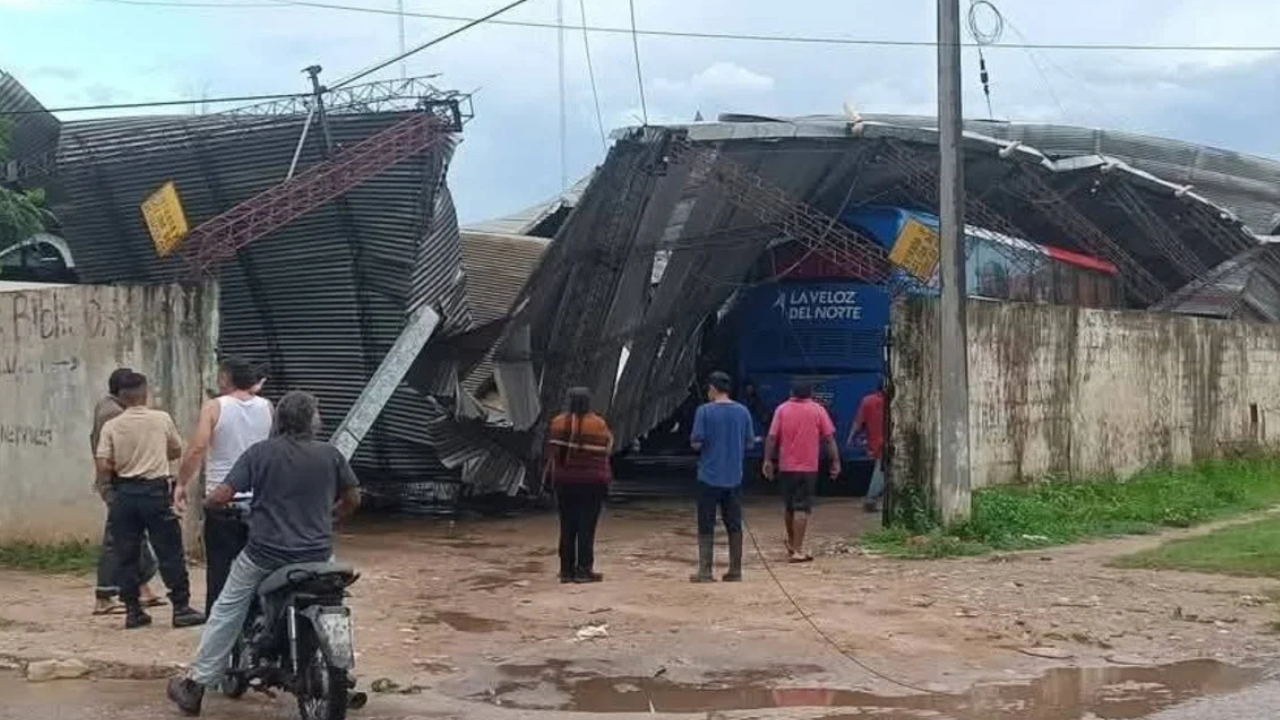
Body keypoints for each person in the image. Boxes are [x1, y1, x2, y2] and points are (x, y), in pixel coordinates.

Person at [167, 391, 361, 716]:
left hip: (265, 554)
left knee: (227, 609)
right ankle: (344, 675)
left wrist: (211, 503)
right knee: (333, 599)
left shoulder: (260, 454)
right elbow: (353, 498)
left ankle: (195, 686)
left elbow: (221, 496)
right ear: (313, 421)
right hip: (317, 553)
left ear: (279, 420)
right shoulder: (331, 455)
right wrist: (330, 517)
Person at [94, 371, 206, 630]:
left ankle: (133, 611)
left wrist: (111, 485)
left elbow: (102, 463)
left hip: (124, 494)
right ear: (145, 394)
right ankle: (180, 607)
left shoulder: (112, 425)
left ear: (121, 397)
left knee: (127, 554)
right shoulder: (161, 419)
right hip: (155, 493)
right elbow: (177, 448)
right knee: (170, 552)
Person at [175, 357, 273, 615]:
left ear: (226, 379)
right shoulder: (268, 407)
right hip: (260, 500)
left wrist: (182, 482)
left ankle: (219, 626)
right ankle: (256, 619)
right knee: (256, 565)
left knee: (220, 566)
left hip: (223, 500)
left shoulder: (215, 407)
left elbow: (198, 448)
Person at [92, 367, 164, 615]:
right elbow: (108, 455)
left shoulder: (110, 407)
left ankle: (141, 589)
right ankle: (104, 594)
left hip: (120, 482)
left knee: (134, 535)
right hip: (118, 483)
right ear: (124, 393)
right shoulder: (112, 414)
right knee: (117, 537)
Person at [762, 381, 841, 563]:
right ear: (811, 393)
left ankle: (792, 543)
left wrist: (767, 460)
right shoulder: (818, 410)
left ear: (791, 392)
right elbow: (829, 439)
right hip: (808, 468)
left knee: (789, 507)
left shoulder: (782, 409)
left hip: (786, 466)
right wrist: (835, 461)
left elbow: (772, 437)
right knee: (802, 508)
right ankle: (797, 550)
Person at [689, 371, 755, 583]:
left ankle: (705, 571)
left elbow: (696, 442)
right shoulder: (743, 412)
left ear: (713, 389)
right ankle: (735, 570)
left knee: (706, 523)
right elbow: (749, 443)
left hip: (708, 476)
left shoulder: (704, 411)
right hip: (734, 476)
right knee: (734, 523)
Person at [545, 387, 613, 584]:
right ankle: (584, 570)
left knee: (567, 526)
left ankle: (566, 571)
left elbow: (552, 452)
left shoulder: (558, 422)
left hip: (564, 482)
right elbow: (606, 449)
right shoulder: (598, 424)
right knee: (586, 527)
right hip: (592, 484)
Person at [849, 382, 887, 513]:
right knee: (882, 471)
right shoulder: (893, 402)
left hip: (875, 442)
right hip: (889, 442)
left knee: (882, 469)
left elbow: (858, 422)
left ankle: (872, 499)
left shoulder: (867, 401)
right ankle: (871, 499)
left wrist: (850, 438)